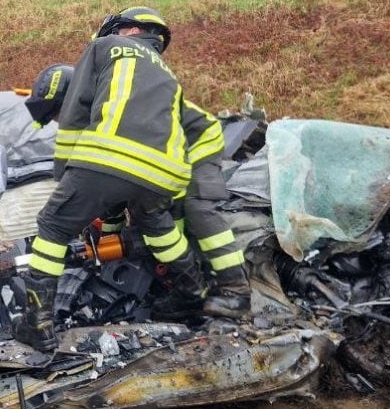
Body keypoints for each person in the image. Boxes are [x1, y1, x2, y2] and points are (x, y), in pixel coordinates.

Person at [17, 6, 208, 351]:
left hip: (113, 156)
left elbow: (78, 107)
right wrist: (109, 234)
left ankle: (37, 324)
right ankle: (192, 295)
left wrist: (66, 172)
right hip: (166, 171)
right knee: (157, 226)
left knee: (53, 225)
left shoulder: (104, 48)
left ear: (128, 30)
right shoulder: (167, 74)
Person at [24, 60, 252, 319]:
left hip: (197, 141)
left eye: (57, 113)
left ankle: (234, 289)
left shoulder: (113, 107)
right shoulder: (93, 116)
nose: (59, 121)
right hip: (164, 154)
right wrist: (108, 236)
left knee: (192, 206)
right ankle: (189, 285)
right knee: (149, 213)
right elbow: (109, 185)